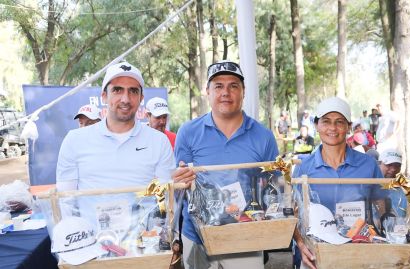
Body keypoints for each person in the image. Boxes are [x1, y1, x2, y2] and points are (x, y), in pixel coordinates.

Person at [174, 60, 279, 269]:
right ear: (208, 92)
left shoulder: (264, 137)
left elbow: (273, 189)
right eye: (218, 86)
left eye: (233, 86)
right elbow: (179, 188)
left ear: (243, 92)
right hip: (197, 237)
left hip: (246, 237)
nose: (226, 92)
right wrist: (178, 181)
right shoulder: (188, 132)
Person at [56, 61, 182, 191]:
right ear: (104, 96)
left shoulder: (159, 142)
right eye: (117, 90)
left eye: (133, 91)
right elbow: (66, 200)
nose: (125, 99)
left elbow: (164, 200)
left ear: (141, 98)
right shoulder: (74, 140)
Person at [292, 97, 383, 269]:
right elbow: (295, 214)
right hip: (317, 254)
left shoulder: (368, 165)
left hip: (359, 251)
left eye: (339, 122)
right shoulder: (304, 168)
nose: (332, 128)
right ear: (317, 125)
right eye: (326, 122)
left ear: (348, 126)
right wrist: (301, 245)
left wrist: (376, 233)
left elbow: (381, 205)